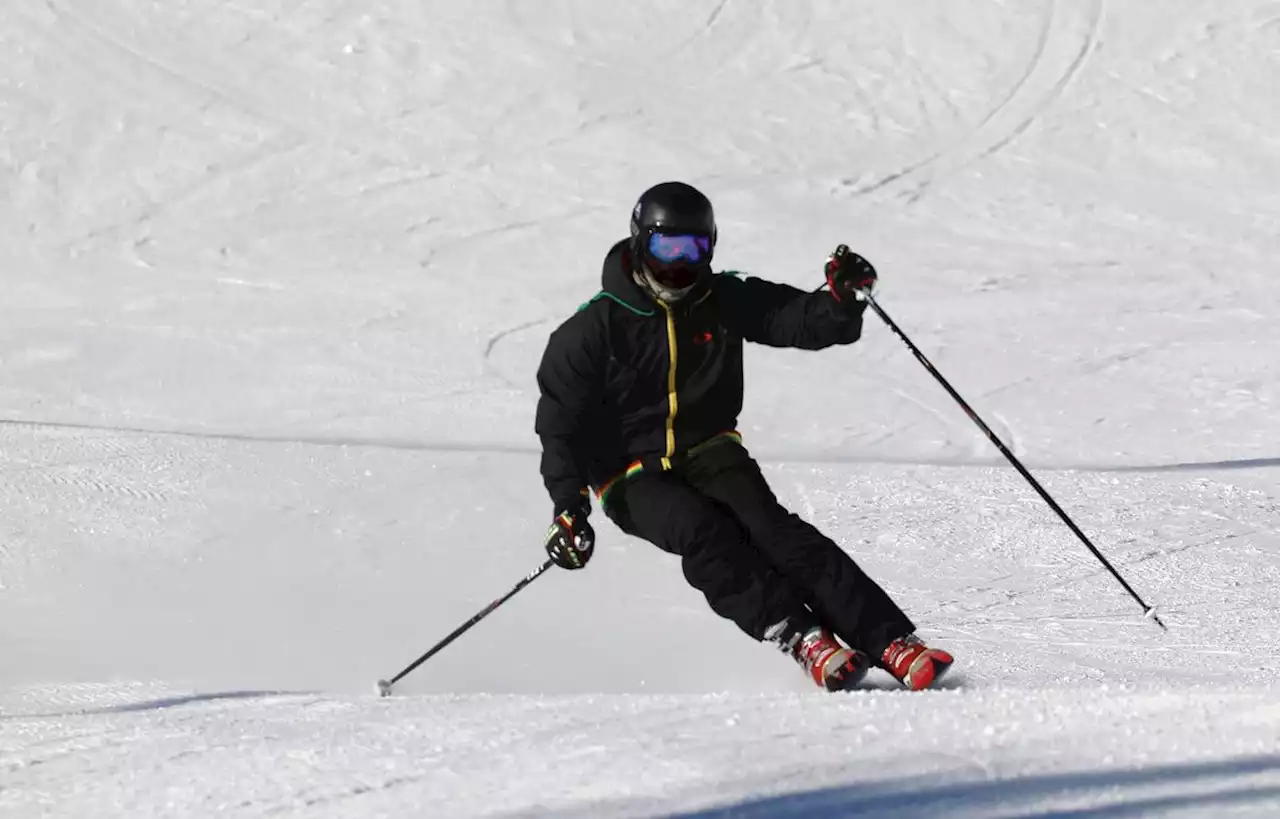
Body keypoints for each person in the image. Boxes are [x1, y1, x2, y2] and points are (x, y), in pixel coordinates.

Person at [535, 181, 953, 691]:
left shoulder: (720, 298)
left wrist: (841, 304)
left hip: (709, 449)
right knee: (702, 531)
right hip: (629, 473)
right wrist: (568, 505)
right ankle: (800, 634)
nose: (679, 264)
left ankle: (890, 640)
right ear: (641, 242)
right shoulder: (591, 330)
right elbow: (560, 426)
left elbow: (792, 318)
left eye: (694, 249)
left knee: (774, 530)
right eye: (667, 248)